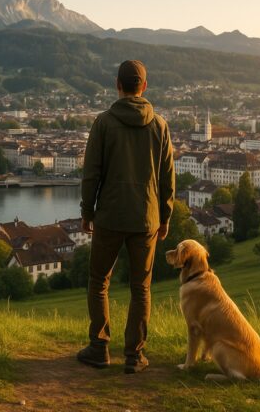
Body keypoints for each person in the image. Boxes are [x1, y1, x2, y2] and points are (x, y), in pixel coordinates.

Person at [76, 59, 175, 374]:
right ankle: (134, 355)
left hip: (109, 216)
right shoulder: (159, 125)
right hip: (146, 218)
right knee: (141, 288)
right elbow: (168, 178)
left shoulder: (103, 123)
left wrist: (87, 211)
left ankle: (99, 346)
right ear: (144, 87)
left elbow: (91, 173)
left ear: (117, 85)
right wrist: (166, 216)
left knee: (98, 281)